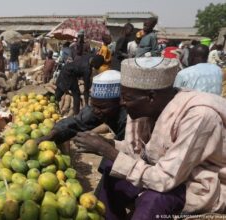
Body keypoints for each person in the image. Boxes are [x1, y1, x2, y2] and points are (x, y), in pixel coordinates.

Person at [73, 57, 226, 219]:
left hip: (200, 183)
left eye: (127, 98)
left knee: (154, 200)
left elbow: (165, 180)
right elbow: (139, 151)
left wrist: (107, 150)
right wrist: (109, 144)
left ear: (151, 97)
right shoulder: (143, 109)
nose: (122, 103)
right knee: (112, 170)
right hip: (165, 172)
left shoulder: (199, 116)